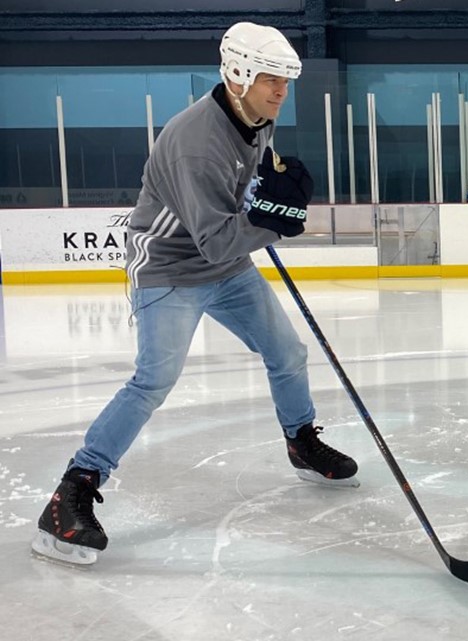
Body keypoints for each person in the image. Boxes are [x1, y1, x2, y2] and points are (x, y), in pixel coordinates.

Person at [31, 22, 359, 566]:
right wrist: (275, 222)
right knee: (153, 381)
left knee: (287, 353)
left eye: (285, 81)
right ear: (238, 75)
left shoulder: (256, 118)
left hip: (226, 266)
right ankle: (73, 490)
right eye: (271, 80)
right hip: (170, 268)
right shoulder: (195, 144)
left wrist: (266, 197)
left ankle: (301, 441)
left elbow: (239, 202)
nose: (281, 92)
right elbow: (215, 240)